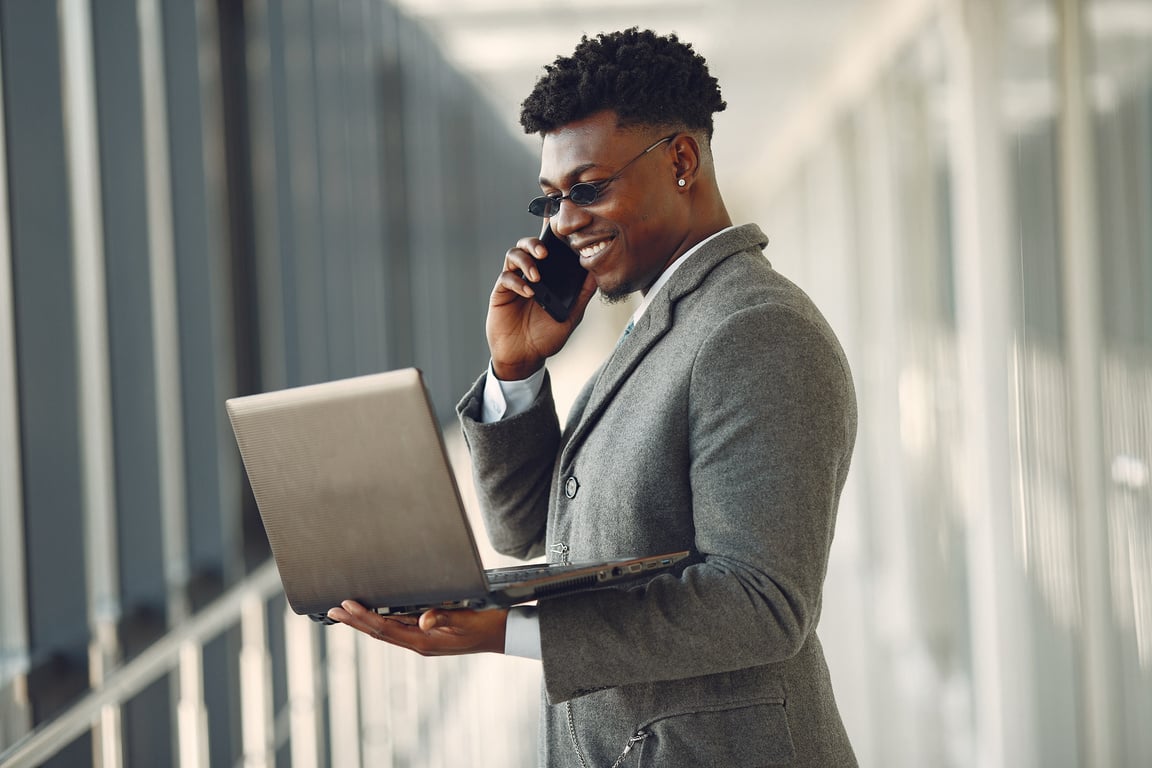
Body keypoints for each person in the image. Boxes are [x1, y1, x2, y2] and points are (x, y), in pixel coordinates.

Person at [328, 28, 859, 766]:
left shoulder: (756, 331)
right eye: (549, 200)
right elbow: (526, 529)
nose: (565, 221)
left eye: (588, 187)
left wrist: (511, 632)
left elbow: (763, 603)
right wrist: (514, 369)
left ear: (681, 160)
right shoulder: (662, 320)